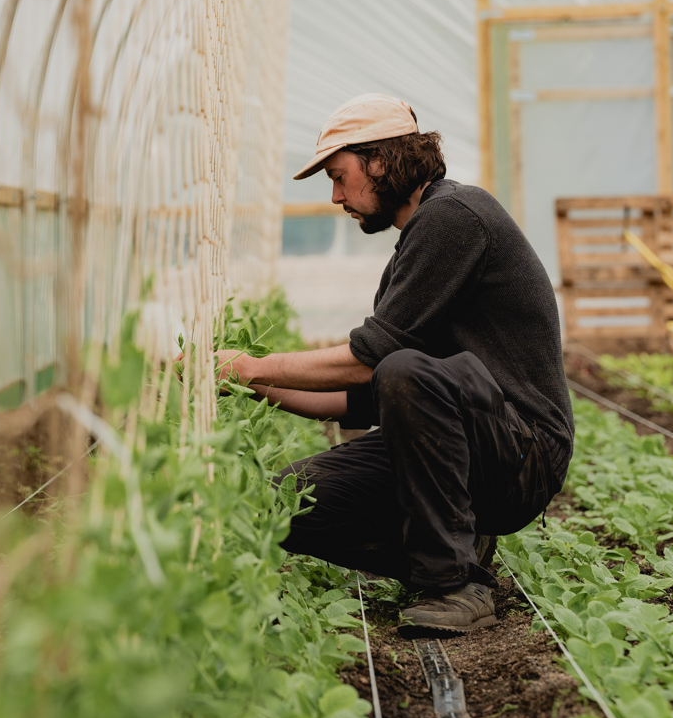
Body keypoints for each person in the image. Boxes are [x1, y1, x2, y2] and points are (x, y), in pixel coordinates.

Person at [216, 94, 572, 634]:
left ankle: (453, 584)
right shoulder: (415, 242)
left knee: (401, 367)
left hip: (523, 454)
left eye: (339, 176)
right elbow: (356, 394)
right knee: (286, 503)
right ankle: (454, 542)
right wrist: (244, 384)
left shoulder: (455, 216)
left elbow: (373, 362)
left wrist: (249, 364)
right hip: (462, 442)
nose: (336, 196)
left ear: (379, 161)